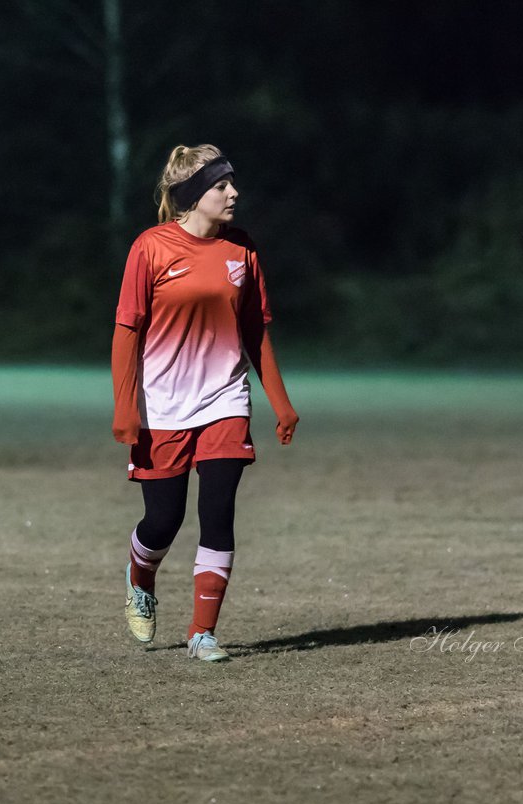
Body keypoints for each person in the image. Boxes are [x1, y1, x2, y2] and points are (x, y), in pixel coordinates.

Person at [111, 144, 299, 662]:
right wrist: (125, 407)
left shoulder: (243, 250)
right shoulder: (150, 248)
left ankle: (202, 633)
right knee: (162, 522)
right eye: (221, 186)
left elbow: (255, 331)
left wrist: (280, 401)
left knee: (218, 513)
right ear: (194, 196)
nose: (233, 193)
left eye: (231, 184)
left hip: (225, 400)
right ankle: (140, 572)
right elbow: (127, 331)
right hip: (164, 406)